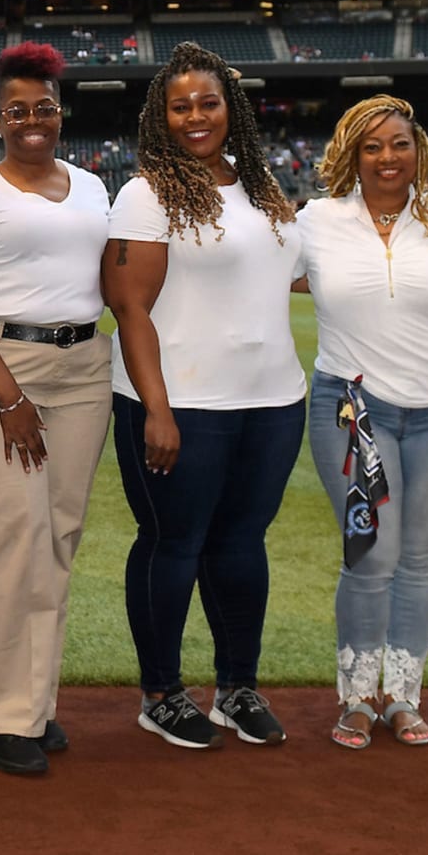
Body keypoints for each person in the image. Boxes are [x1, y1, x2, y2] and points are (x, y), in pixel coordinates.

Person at [102, 41, 304, 750]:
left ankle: (236, 688)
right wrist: (156, 408)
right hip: (180, 405)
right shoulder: (146, 192)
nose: (195, 116)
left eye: (208, 102)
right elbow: (129, 307)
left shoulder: (263, 187)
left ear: (231, 108)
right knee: (173, 544)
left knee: (242, 545)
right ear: (162, 115)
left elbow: (291, 275)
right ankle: (160, 692)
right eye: (179, 105)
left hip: (274, 402)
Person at [0, 42, 110, 776]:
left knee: (57, 539)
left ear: (60, 114)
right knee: (10, 542)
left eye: (44, 107)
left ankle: (34, 704)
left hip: (83, 368)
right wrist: (9, 397)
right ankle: (3, 718)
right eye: (17, 110)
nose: (31, 120)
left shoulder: (96, 187)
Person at [294, 95, 428, 749]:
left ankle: (401, 697)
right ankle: (356, 698)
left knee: (420, 559)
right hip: (354, 411)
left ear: (419, 150)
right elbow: (253, 274)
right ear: (351, 152)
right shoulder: (315, 222)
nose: (387, 157)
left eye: (400, 144)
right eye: (372, 145)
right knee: (370, 557)